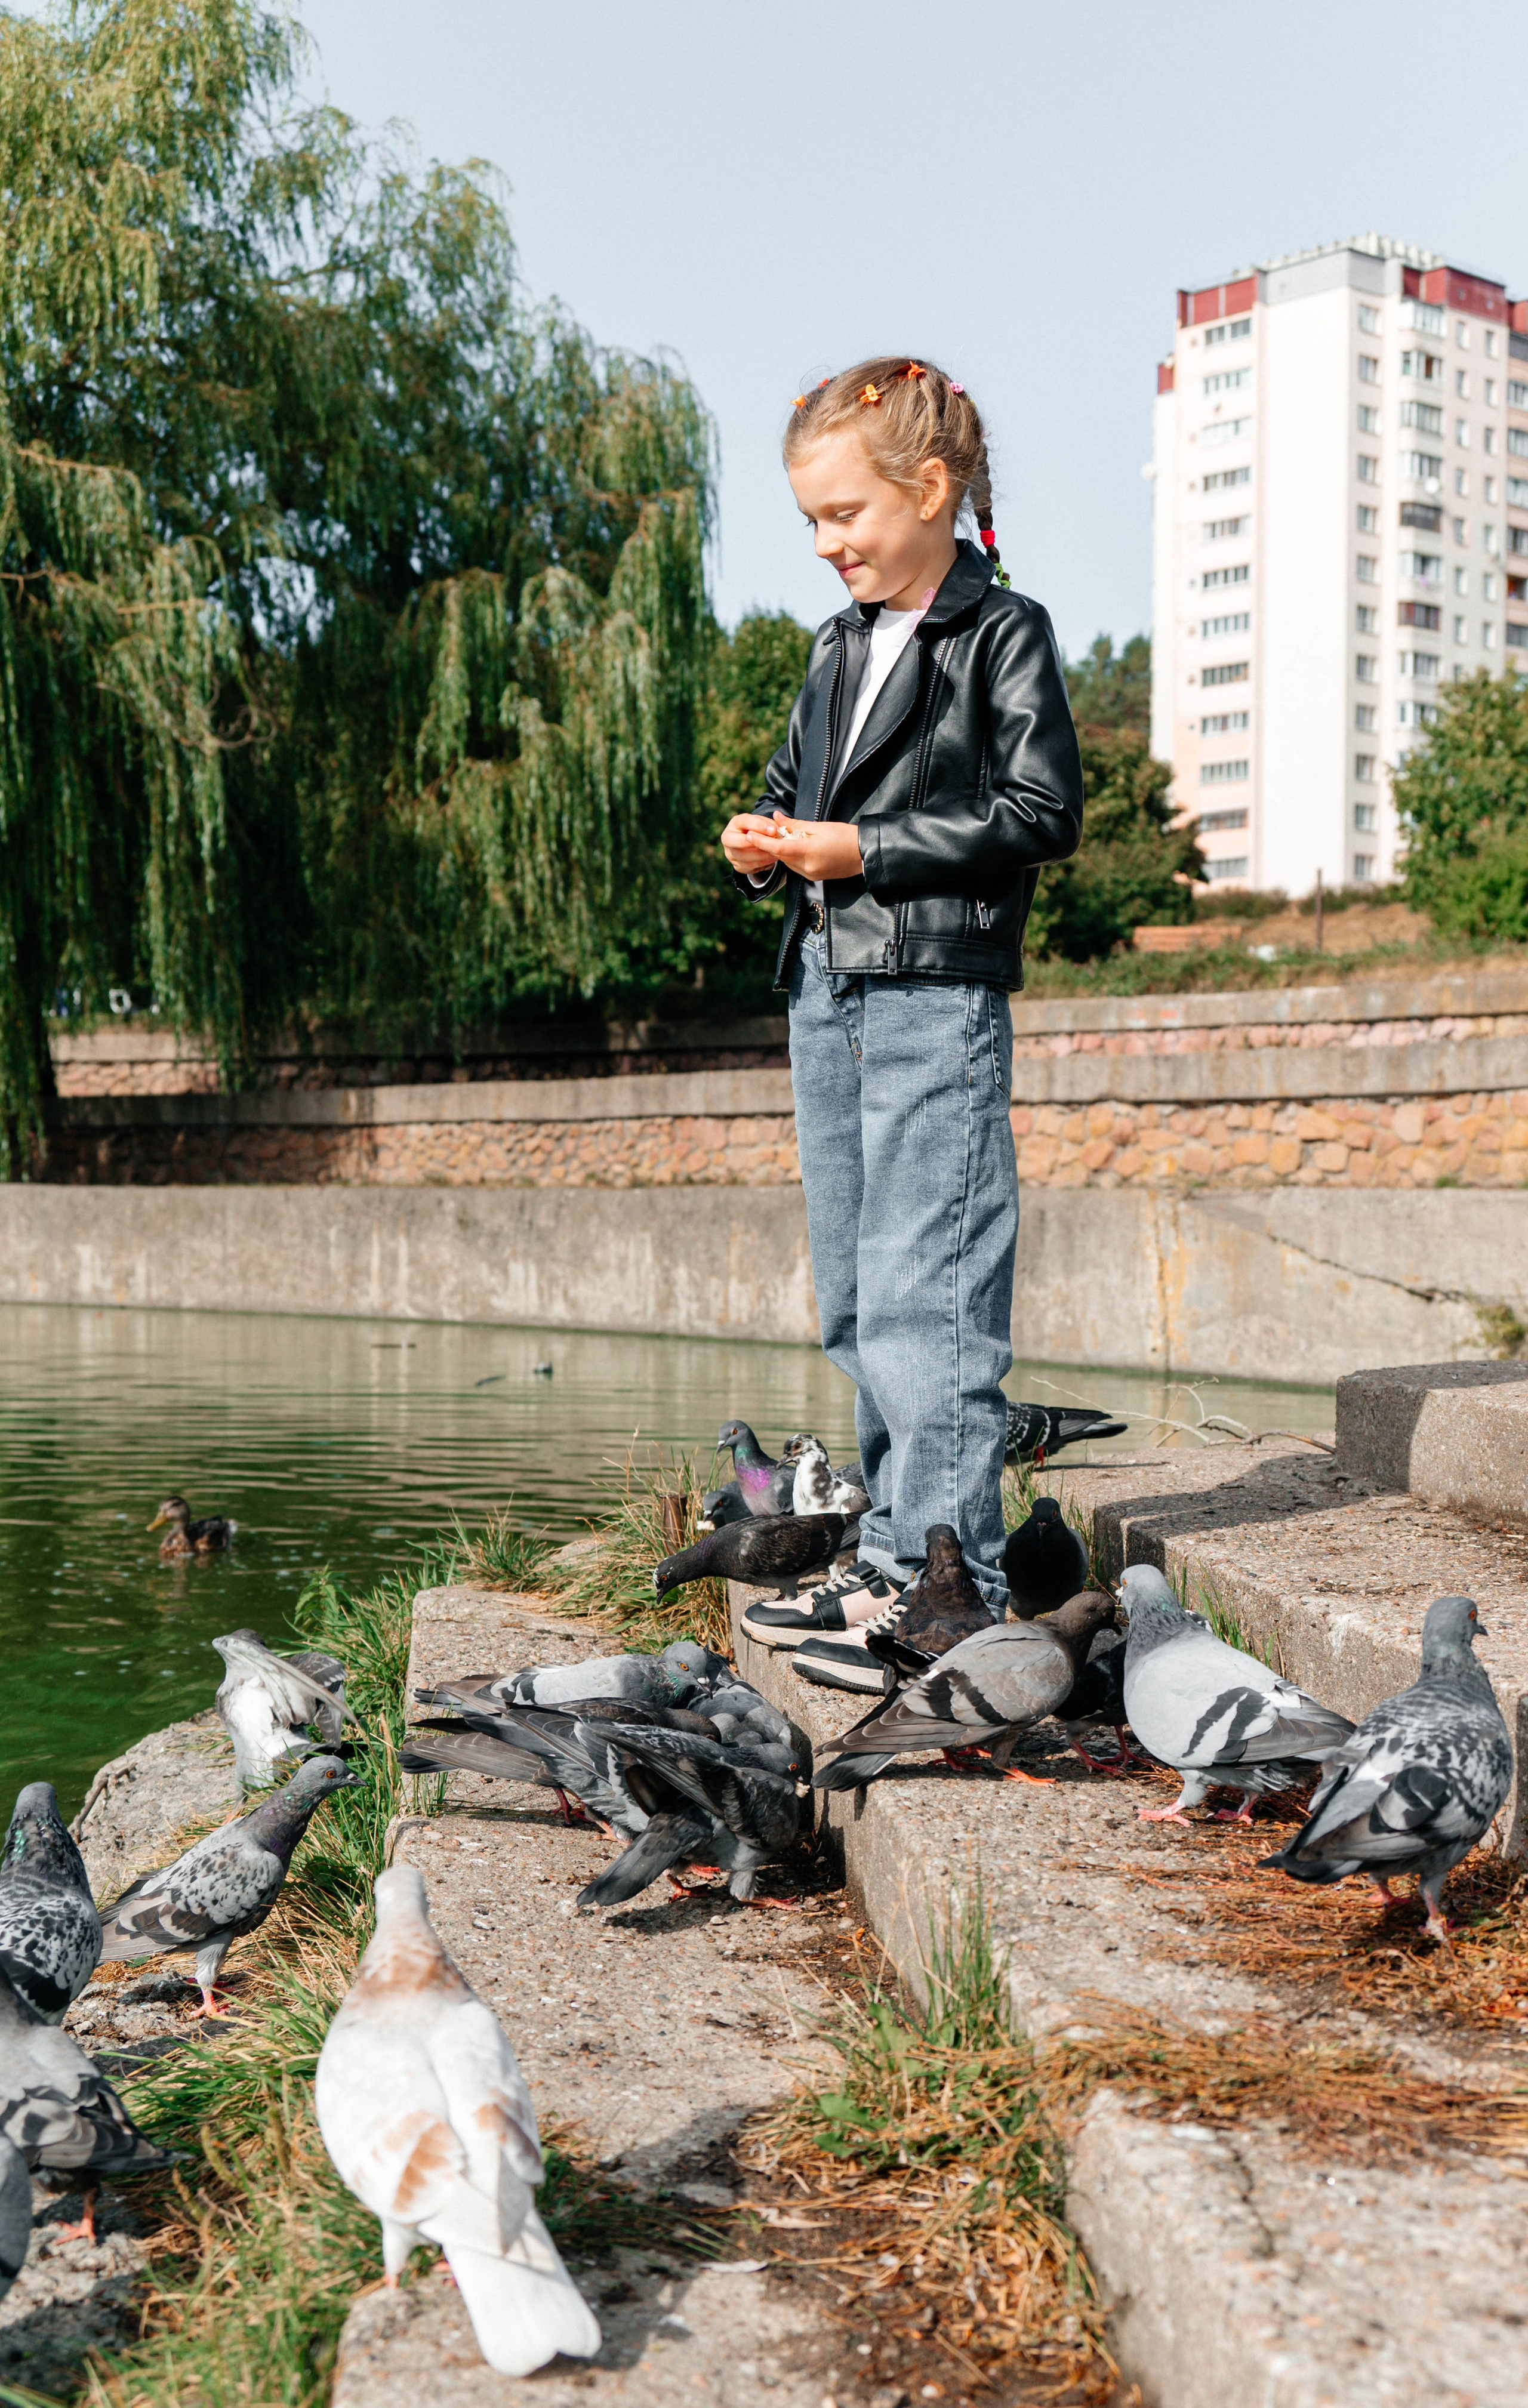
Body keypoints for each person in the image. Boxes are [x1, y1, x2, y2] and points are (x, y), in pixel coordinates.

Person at [721, 357, 1083, 1666]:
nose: (826, 544)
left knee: (931, 1290)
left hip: (934, 988)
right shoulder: (835, 646)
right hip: (829, 984)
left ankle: (949, 1578)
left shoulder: (1002, 631)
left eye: (844, 516)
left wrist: (857, 848)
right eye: (810, 522)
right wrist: (764, 835)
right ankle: (883, 1554)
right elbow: (796, 779)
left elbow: (1043, 812)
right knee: (859, 1289)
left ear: (930, 490)